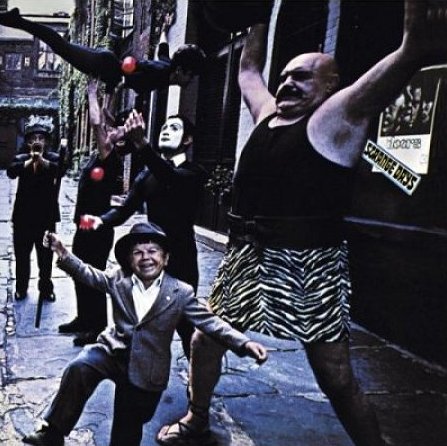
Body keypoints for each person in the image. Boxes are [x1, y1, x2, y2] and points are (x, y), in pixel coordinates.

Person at [156, 2, 447, 446]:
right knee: (204, 339)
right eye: (286, 75)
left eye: (304, 76)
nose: (288, 82)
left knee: (335, 375)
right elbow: (248, 70)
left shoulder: (337, 117)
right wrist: (257, 14)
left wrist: (413, 41)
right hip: (249, 259)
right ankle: (197, 418)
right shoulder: (268, 115)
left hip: (310, 264)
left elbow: (405, 58)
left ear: (332, 86)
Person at [22, 222, 268, 446]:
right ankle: (53, 433)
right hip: (112, 352)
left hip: (148, 368)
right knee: (81, 366)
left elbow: (210, 322)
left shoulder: (180, 292)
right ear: (129, 260)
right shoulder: (118, 279)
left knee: (127, 425)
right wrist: (61, 252)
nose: (146, 257)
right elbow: (88, 274)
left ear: (165, 258)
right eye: (138, 253)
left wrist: (244, 343)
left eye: (153, 251)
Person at [83, 111, 208, 358]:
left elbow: (171, 179)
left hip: (181, 259)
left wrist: (141, 144)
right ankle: (140, 372)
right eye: (163, 127)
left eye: (174, 128)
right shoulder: (148, 174)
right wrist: (101, 220)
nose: (166, 131)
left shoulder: (194, 172)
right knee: (143, 321)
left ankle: (197, 376)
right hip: (150, 258)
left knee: (186, 325)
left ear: (188, 140)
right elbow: (125, 209)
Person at [57, 79, 125, 347]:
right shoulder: (102, 155)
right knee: (79, 273)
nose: (108, 130)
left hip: (97, 228)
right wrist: (115, 92)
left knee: (92, 276)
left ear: (120, 140)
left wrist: (92, 94)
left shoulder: (111, 156)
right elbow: (105, 119)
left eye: (114, 130)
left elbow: (98, 123)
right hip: (84, 225)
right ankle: (83, 318)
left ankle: (96, 326)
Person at [0, 8, 206, 94]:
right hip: (104, 66)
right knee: (60, 46)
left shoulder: (167, 66)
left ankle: (18, 20)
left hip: (106, 62)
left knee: (61, 47)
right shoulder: (160, 75)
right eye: (191, 75)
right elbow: (124, 80)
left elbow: (162, 48)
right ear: (181, 70)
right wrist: (108, 101)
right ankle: (17, 20)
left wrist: (165, 29)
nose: (190, 81)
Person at [7, 116, 64, 302]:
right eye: (33, 138)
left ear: (46, 141)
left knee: (45, 258)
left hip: (46, 217)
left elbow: (60, 170)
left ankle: (46, 289)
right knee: (22, 256)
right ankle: (21, 288)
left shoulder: (54, 158)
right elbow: (11, 172)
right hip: (23, 217)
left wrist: (42, 161)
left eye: (41, 138)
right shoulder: (21, 158)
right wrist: (30, 161)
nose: (37, 141)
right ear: (28, 141)